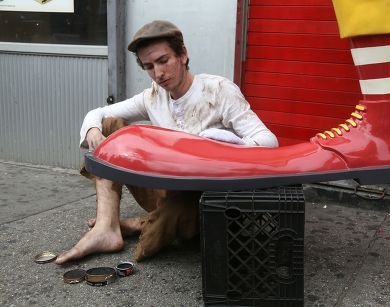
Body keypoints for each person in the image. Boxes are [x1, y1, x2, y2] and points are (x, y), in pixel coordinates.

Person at [55, 20, 278, 264]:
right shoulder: (152, 96)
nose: (158, 73)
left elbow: (269, 141)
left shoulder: (219, 90)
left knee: (155, 239)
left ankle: (142, 224)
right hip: (162, 186)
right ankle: (106, 228)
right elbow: (98, 113)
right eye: (148, 66)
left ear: (183, 54)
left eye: (163, 61)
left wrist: (230, 142)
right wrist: (92, 131)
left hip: (201, 197)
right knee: (109, 126)